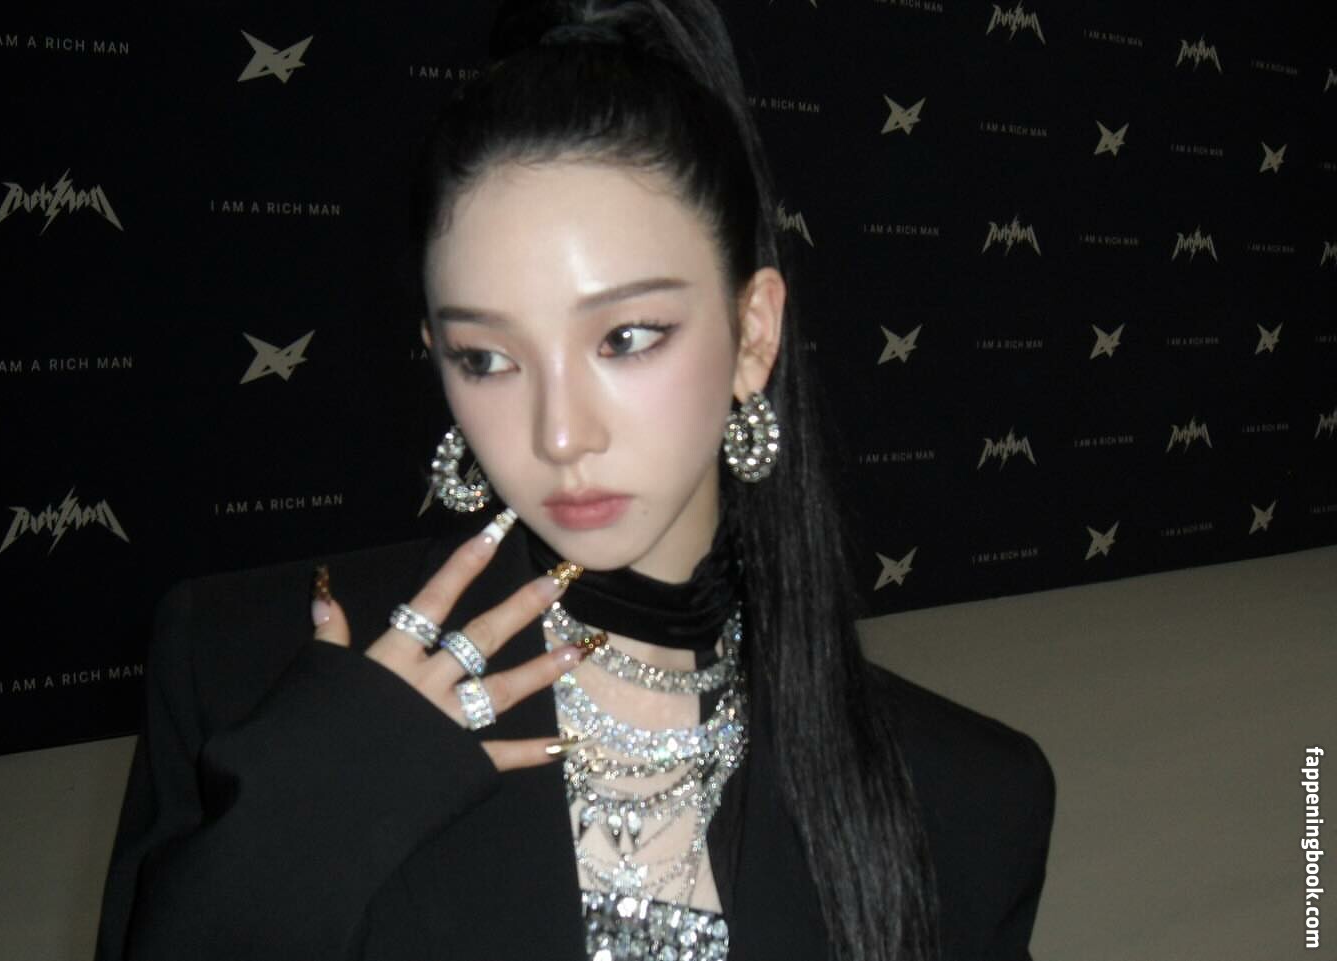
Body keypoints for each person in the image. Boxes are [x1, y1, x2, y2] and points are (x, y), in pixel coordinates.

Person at [95, 2, 1055, 959]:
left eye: (626, 338)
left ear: (753, 334)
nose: (560, 434)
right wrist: (298, 831)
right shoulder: (245, 676)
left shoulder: (965, 800)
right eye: (486, 358)